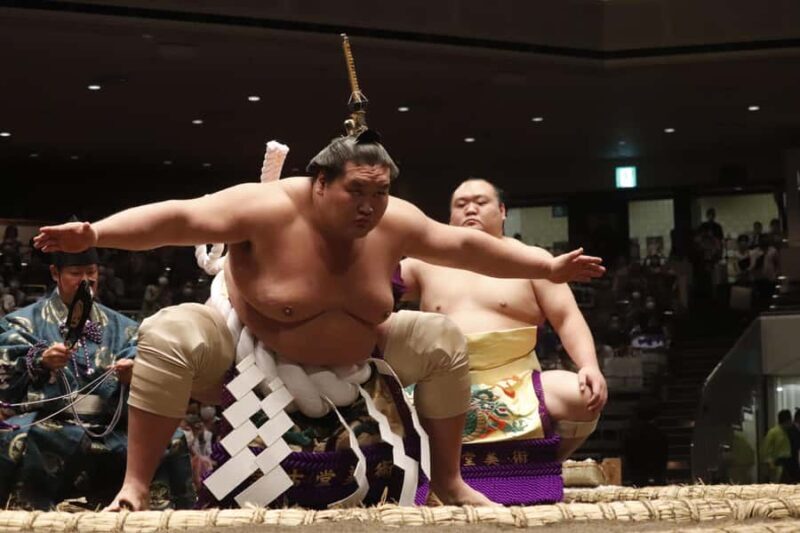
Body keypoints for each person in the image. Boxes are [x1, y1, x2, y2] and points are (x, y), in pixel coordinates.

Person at [34, 135, 604, 510]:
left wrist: (548, 264)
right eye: (356, 191)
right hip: (245, 350)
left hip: (358, 360)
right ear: (320, 183)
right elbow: (179, 217)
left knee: (440, 339)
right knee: (167, 332)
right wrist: (96, 234)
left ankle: (450, 481)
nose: (369, 206)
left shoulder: (394, 221)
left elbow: (464, 246)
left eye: (379, 193)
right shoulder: (269, 208)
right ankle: (134, 487)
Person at [399, 179, 607, 468]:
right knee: (379, 401)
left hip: (516, 381)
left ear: (503, 211)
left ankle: (542, 462)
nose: (470, 209)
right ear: (449, 217)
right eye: (461, 204)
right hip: (439, 382)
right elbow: (374, 285)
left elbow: (567, 318)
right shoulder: (423, 263)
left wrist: (589, 365)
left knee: (581, 395)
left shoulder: (534, 260)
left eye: (480, 202)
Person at [0, 245, 194, 509]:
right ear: (55, 273)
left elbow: (145, 361)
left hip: (111, 425)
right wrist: (40, 360)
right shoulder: (22, 323)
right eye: (76, 272)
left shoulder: (123, 327)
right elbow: (7, 362)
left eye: (91, 272)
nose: (86, 280)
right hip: (50, 421)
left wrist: (133, 373)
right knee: (24, 438)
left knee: (171, 439)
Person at [760, 409, 792, 483]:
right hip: (776, 464)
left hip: (786, 463)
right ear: (787, 421)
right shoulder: (773, 432)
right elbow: (765, 449)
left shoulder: (787, 432)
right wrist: (770, 463)